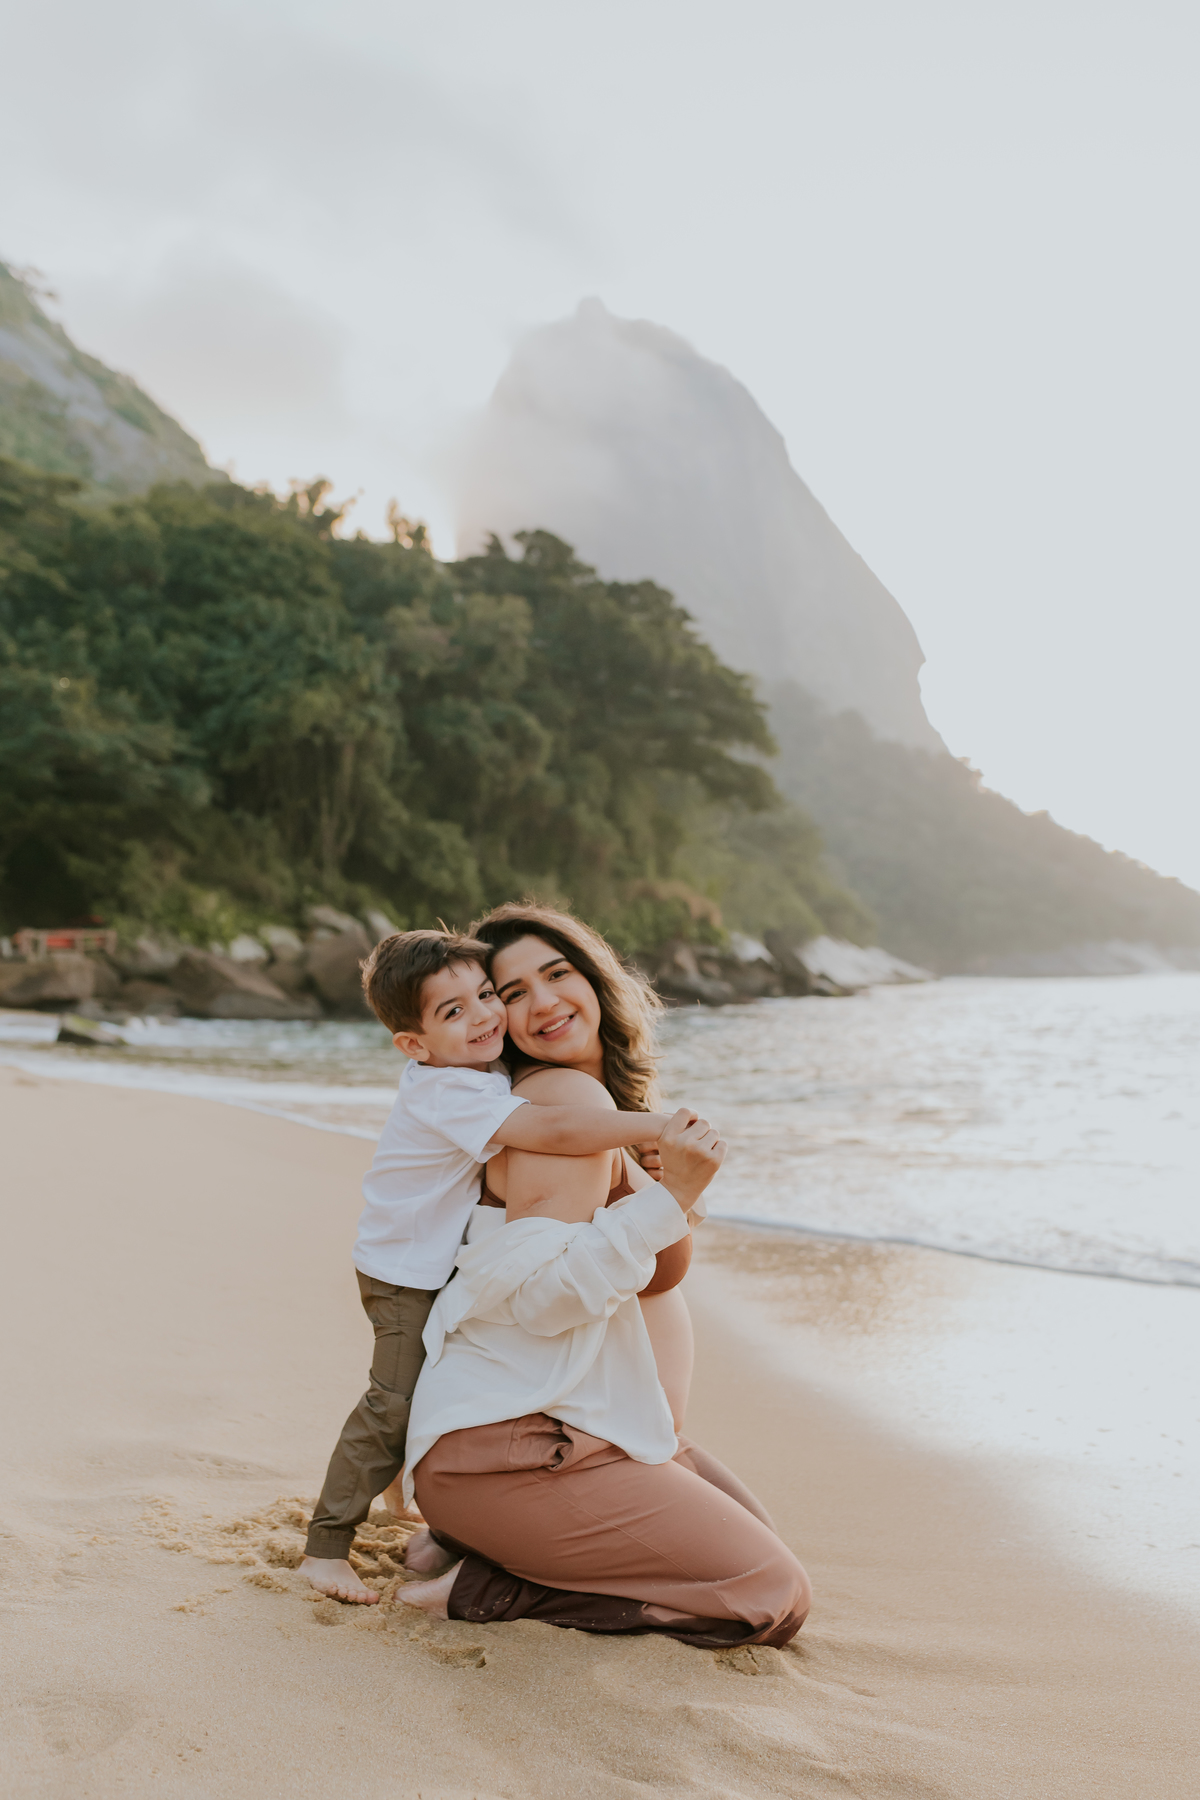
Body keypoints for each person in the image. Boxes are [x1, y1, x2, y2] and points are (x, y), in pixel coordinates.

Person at [398, 904, 812, 1649]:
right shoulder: (560, 1105)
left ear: (594, 976)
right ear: (492, 1021)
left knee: (755, 1543)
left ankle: (476, 1542)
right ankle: (489, 1582)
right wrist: (675, 1198)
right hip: (524, 1444)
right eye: (511, 992)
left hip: (602, 1430)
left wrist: (670, 1192)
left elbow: (644, 1276)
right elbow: (541, 1301)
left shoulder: (607, 1112)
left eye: (557, 974)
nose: (544, 1002)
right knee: (767, 1593)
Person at [301, 926, 694, 1604]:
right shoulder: (457, 1090)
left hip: (431, 1262)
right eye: (462, 1008)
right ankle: (325, 1545)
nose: (488, 1014)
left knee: (416, 1383)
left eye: (487, 995)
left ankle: (433, 1521)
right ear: (415, 1044)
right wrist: (651, 1128)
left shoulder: (485, 1077)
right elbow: (555, 1132)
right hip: (406, 1271)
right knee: (391, 1398)